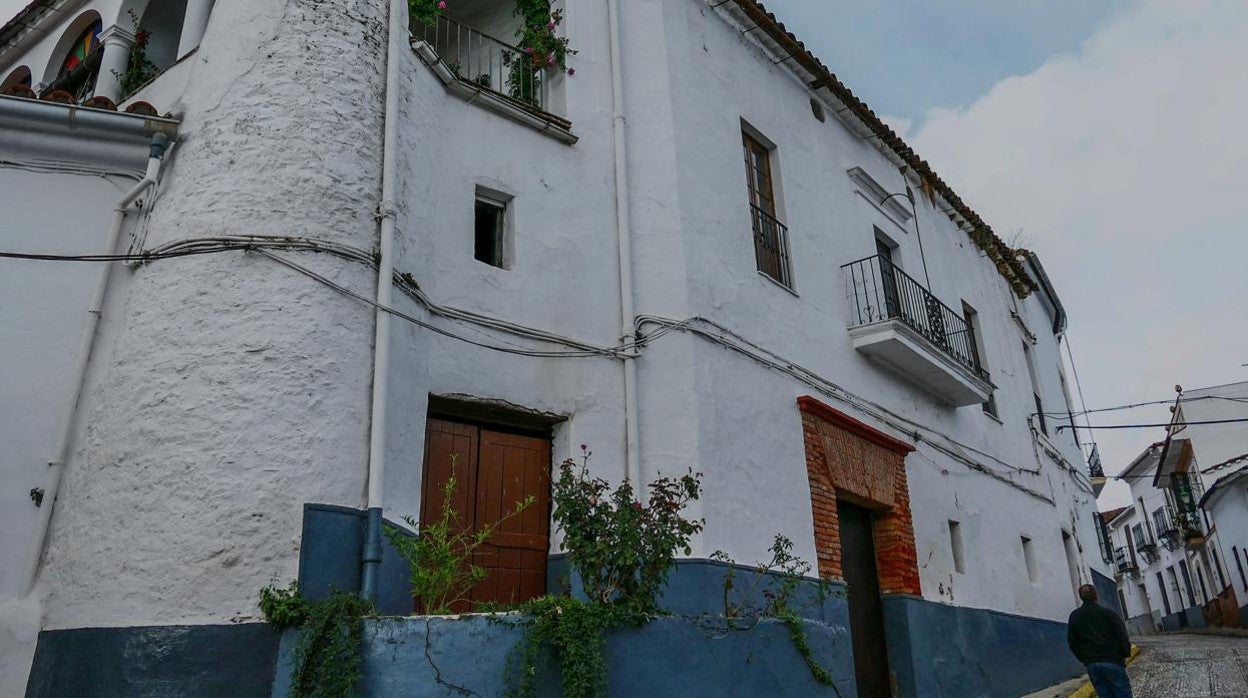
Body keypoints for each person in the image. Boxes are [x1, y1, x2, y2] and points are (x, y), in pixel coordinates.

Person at [1067, 584, 1134, 698]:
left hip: (1092, 664)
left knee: (1104, 694)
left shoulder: (1075, 616)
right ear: (1096, 596)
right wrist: (1124, 654)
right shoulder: (1108, 614)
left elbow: (1072, 641)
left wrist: (1084, 659)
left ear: (1080, 597)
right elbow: (1122, 635)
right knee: (1123, 693)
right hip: (1113, 660)